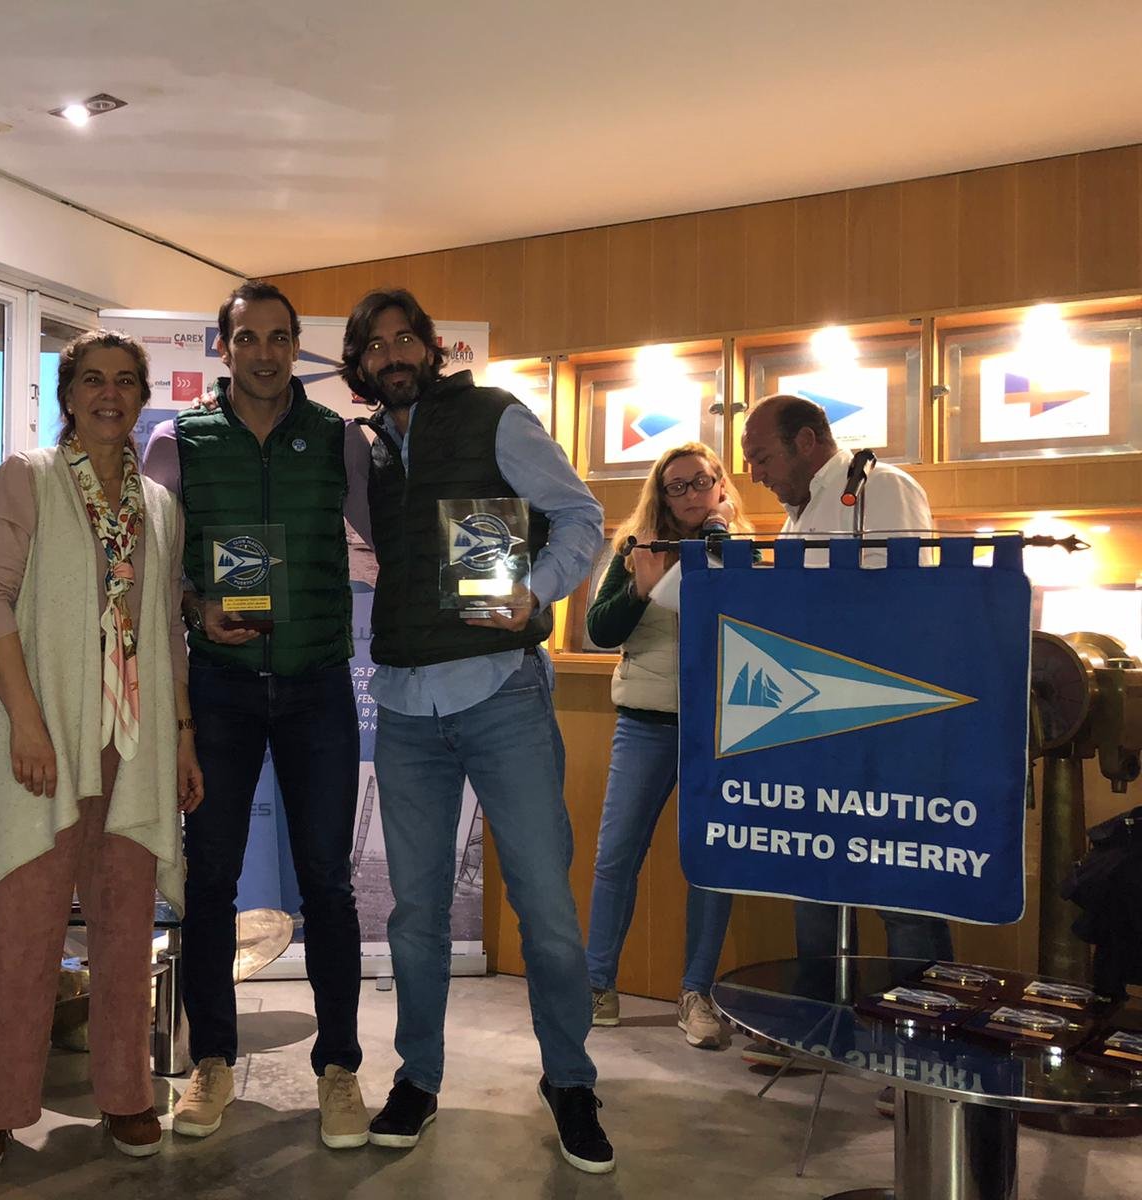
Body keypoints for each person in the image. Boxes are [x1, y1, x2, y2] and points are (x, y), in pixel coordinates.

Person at [343, 288, 615, 1174]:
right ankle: (418, 1079)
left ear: (432, 347)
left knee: (546, 909)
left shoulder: (496, 415)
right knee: (415, 914)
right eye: (375, 345)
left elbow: (580, 516)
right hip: (406, 705)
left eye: (405, 339)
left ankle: (570, 1080)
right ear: (361, 363)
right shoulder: (366, 450)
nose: (393, 354)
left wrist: (537, 592)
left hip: (501, 694)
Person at [0, 331, 200, 1176]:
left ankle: (126, 1093)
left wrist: (184, 737)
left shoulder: (160, 506)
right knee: (20, 928)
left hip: (134, 745)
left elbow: (167, 630)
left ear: (142, 395)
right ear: (68, 395)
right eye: (92, 380)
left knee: (125, 928)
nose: (109, 394)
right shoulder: (29, 478)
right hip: (41, 741)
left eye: (125, 381)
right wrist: (28, 723)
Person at [141, 281, 374, 1150]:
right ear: (224, 347)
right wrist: (197, 607)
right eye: (249, 339)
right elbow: (152, 562)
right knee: (210, 882)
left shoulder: (337, 438)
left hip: (318, 684)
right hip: (221, 688)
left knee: (329, 885)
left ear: (296, 346)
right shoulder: (180, 440)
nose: (266, 354)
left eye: (280, 338)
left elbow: (388, 533)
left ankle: (339, 1067)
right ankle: (212, 1061)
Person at [733, 391, 951, 1082]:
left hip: (886, 725)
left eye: (762, 457)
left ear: (806, 441)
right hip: (814, 723)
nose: (755, 474)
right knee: (816, 876)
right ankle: (817, 1028)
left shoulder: (882, 489)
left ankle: (921, 1052)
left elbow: (912, 604)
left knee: (901, 890)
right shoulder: (797, 516)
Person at [583, 442, 751, 1050]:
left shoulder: (742, 549)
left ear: (720, 484)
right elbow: (599, 630)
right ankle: (596, 986)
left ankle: (696, 993)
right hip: (645, 723)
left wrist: (720, 540)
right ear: (660, 493)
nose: (689, 494)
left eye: (700, 481)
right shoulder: (637, 547)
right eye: (675, 486)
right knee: (616, 856)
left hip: (720, 730)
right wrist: (639, 588)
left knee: (712, 863)